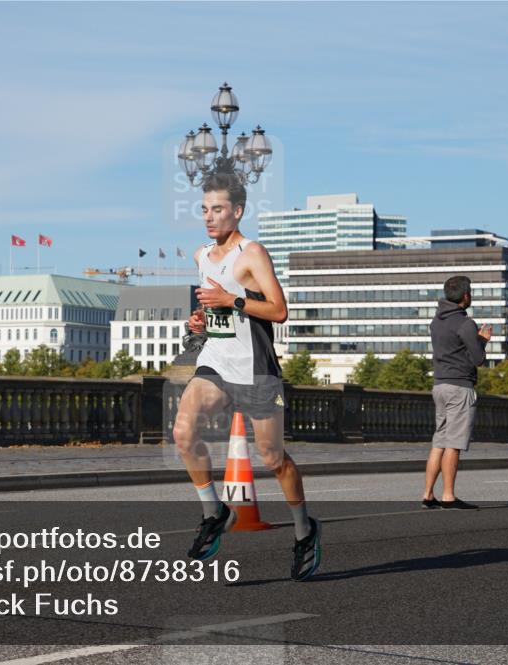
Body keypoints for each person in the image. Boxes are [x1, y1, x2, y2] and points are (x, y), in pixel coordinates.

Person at [171, 172, 321, 582]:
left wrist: (231, 299)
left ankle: (305, 530)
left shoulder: (252, 253)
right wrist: (202, 322)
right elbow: (218, 317)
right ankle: (214, 511)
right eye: (204, 209)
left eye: (218, 209)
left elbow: (278, 311)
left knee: (273, 459)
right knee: (183, 431)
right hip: (217, 362)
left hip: (256, 368)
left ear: (237, 211)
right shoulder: (202, 256)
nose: (209, 217)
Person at [422, 275, 491, 510]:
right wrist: (483, 340)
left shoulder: (436, 321)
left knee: (439, 441)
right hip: (460, 386)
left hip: (439, 384)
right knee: (454, 443)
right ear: (465, 296)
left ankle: (428, 494)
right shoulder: (465, 324)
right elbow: (478, 359)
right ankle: (449, 496)